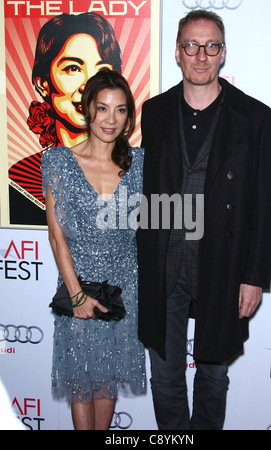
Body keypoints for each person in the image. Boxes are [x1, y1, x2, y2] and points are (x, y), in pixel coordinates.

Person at [137, 10, 271, 430]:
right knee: (164, 376)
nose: (201, 55)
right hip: (164, 261)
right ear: (178, 52)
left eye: (210, 46)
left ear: (223, 53)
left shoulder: (254, 116)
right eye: (191, 46)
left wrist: (253, 276)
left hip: (223, 262)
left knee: (214, 375)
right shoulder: (154, 112)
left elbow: (263, 204)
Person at [41, 69, 146, 430]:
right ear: (88, 109)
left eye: (120, 111)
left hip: (124, 286)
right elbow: (57, 237)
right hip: (78, 283)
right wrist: (76, 296)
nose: (110, 119)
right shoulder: (58, 162)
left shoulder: (140, 164)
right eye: (103, 109)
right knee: (80, 380)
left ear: (129, 117)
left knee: (108, 377)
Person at [9, 12, 122, 225]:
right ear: (43, 83)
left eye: (101, 71)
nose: (88, 86)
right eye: (73, 68)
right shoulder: (21, 179)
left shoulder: (132, 168)